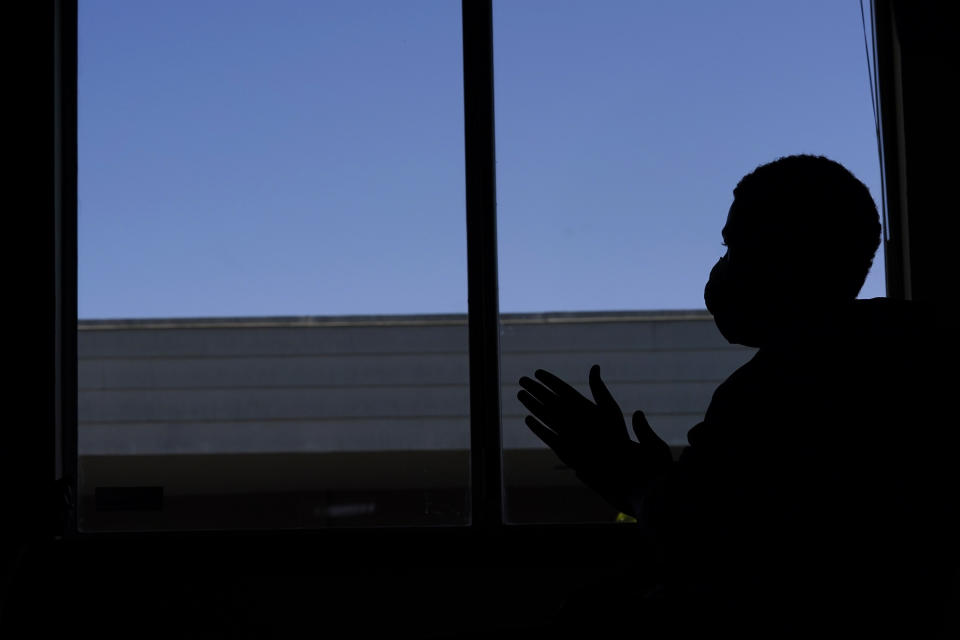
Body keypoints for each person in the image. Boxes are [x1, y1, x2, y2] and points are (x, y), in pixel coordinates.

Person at [518, 155, 957, 638]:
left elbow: (715, 551)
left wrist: (632, 478)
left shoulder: (780, 386)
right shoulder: (917, 347)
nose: (720, 270)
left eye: (735, 248)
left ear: (789, 257)